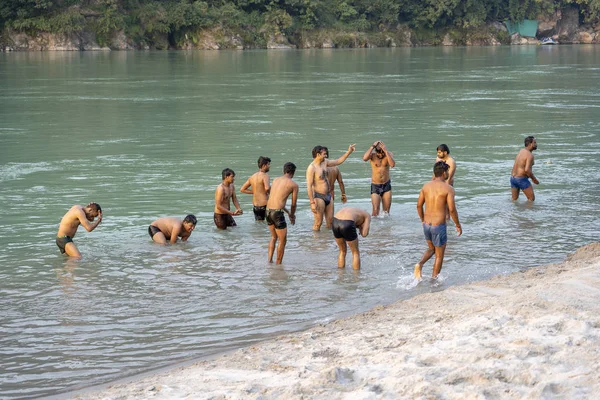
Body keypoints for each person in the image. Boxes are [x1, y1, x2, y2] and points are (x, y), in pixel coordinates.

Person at [414, 162, 462, 280]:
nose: (448, 174)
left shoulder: (426, 186)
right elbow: (451, 209)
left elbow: (419, 206)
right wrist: (458, 224)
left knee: (431, 249)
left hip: (426, 224)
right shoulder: (448, 188)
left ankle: (419, 264)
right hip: (438, 225)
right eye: (447, 171)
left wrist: (422, 220)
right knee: (439, 256)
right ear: (443, 172)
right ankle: (434, 281)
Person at [306, 144, 356, 231]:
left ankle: (327, 242)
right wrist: (312, 202)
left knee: (330, 222)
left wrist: (349, 152)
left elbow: (338, 161)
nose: (326, 155)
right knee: (318, 223)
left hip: (329, 196)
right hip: (318, 197)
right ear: (318, 154)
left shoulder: (325, 162)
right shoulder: (312, 168)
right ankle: (316, 243)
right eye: (324, 154)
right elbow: (309, 186)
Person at [266, 162, 299, 264]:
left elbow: (276, 199)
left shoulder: (276, 180)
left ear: (283, 171)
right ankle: (278, 265)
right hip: (277, 214)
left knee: (273, 237)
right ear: (293, 173)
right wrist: (292, 215)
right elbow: (294, 204)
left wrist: (288, 212)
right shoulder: (293, 185)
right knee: (282, 241)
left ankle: (269, 261)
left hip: (268, 211)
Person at [362, 140, 396, 216]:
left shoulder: (389, 154)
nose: (380, 155)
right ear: (375, 151)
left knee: (386, 212)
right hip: (375, 185)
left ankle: (386, 227)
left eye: (382, 153)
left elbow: (392, 165)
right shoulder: (372, 156)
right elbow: (364, 158)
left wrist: (386, 151)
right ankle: (375, 227)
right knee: (375, 211)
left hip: (386, 185)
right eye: (378, 153)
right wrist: (372, 146)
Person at [240, 156, 271, 221]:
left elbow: (242, 189)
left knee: (259, 224)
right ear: (264, 165)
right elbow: (267, 188)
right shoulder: (265, 176)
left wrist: (255, 191)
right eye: (268, 164)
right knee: (269, 224)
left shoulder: (252, 177)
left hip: (256, 206)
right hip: (265, 204)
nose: (269, 166)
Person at [324, 147, 347, 229]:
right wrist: (343, 194)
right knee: (330, 217)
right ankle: (330, 236)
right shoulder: (336, 168)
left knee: (321, 219)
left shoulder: (320, 168)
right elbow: (340, 182)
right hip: (331, 195)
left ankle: (321, 238)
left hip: (321, 194)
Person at [511, 136, 539, 201]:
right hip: (521, 179)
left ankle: (514, 211)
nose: (536, 144)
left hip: (513, 178)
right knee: (531, 199)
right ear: (530, 144)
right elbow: (527, 170)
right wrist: (534, 179)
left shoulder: (521, 151)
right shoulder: (530, 155)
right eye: (534, 143)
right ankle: (527, 211)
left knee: (514, 199)